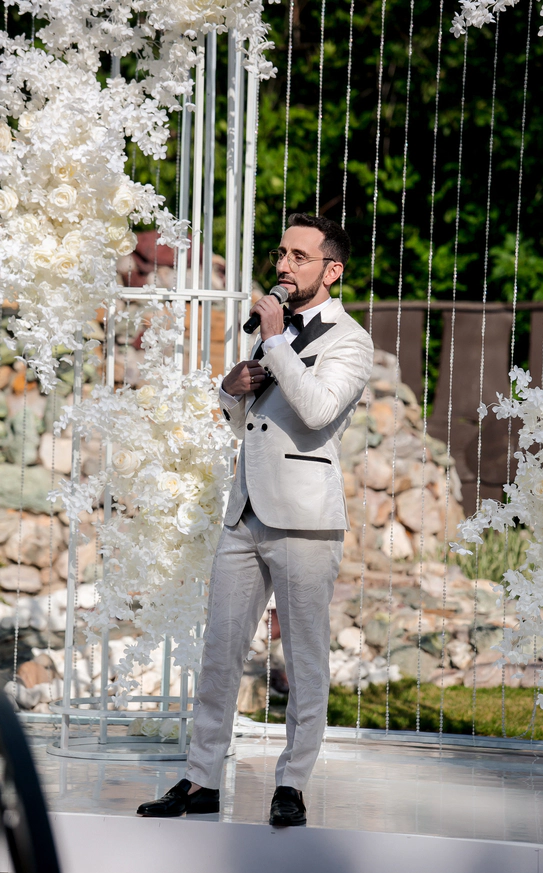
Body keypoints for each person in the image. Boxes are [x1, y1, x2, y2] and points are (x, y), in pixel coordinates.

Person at [137, 213, 374, 827]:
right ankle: (201, 779)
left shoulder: (350, 340)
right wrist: (230, 390)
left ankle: (291, 784)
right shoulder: (274, 334)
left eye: (300, 256)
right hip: (244, 513)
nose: (284, 265)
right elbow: (253, 424)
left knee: (304, 661)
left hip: (304, 519)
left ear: (332, 270)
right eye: (281, 253)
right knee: (219, 652)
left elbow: (318, 411)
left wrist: (273, 342)